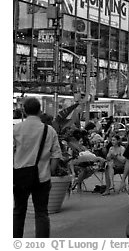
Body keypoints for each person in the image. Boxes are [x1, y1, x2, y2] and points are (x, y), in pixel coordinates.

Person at [13, 97, 62, 238]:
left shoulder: (16, 129)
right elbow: (56, 154)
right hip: (42, 177)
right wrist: (50, 171)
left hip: (20, 176)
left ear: (24, 111)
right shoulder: (49, 130)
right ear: (40, 111)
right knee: (41, 213)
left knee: (18, 211)